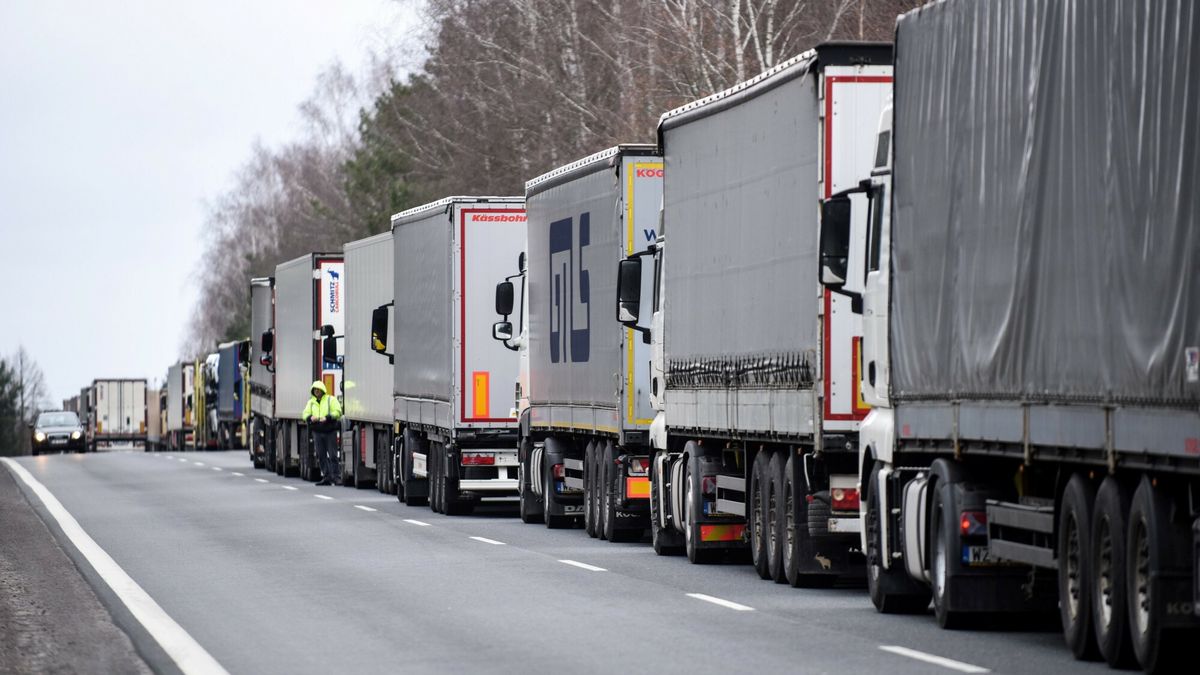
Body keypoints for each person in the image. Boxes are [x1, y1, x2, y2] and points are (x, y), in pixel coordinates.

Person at [302, 381, 342, 486]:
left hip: (330, 431)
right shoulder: (311, 402)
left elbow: (338, 411)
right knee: (321, 455)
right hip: (317, 432)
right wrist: (310, 417)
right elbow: (304, 413)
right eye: (315, 390)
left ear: (322, 390)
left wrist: (327, 417)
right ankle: (326, 477)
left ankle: (336, 477)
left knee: (333, 455)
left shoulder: (331, 399)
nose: (316, 392)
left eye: (318, 390)